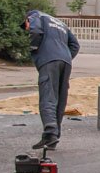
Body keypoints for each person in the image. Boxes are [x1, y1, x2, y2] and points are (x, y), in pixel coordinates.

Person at [24, 9, 80, 149]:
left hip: (49, 60)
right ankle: (52, 137)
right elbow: (75, 45)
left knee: (48, 96)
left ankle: (50, 131)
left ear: (27, 19)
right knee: (60, 100)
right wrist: (64, 57)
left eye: (25, 26)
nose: (26, 29)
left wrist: (34, 48)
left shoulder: (35, 16)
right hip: (66, 62)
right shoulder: (60, 23)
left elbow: (35, 31)